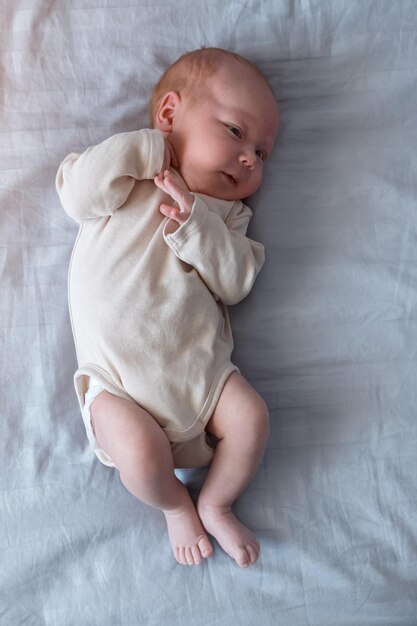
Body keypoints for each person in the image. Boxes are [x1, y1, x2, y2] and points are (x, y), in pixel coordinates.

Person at [56, 47, 279, 568]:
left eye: (264, 153)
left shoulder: (226, 217)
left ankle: (217, 501)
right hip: (119, 388)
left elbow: (237, 281)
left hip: (202, 383)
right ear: (170, 114)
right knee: (137, 454)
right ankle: (177, 505)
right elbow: (74, 194)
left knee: (251, 418)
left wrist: (195, 222)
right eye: (235, 132)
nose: (250, 157)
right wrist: (144, 150)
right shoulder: (126, 179)